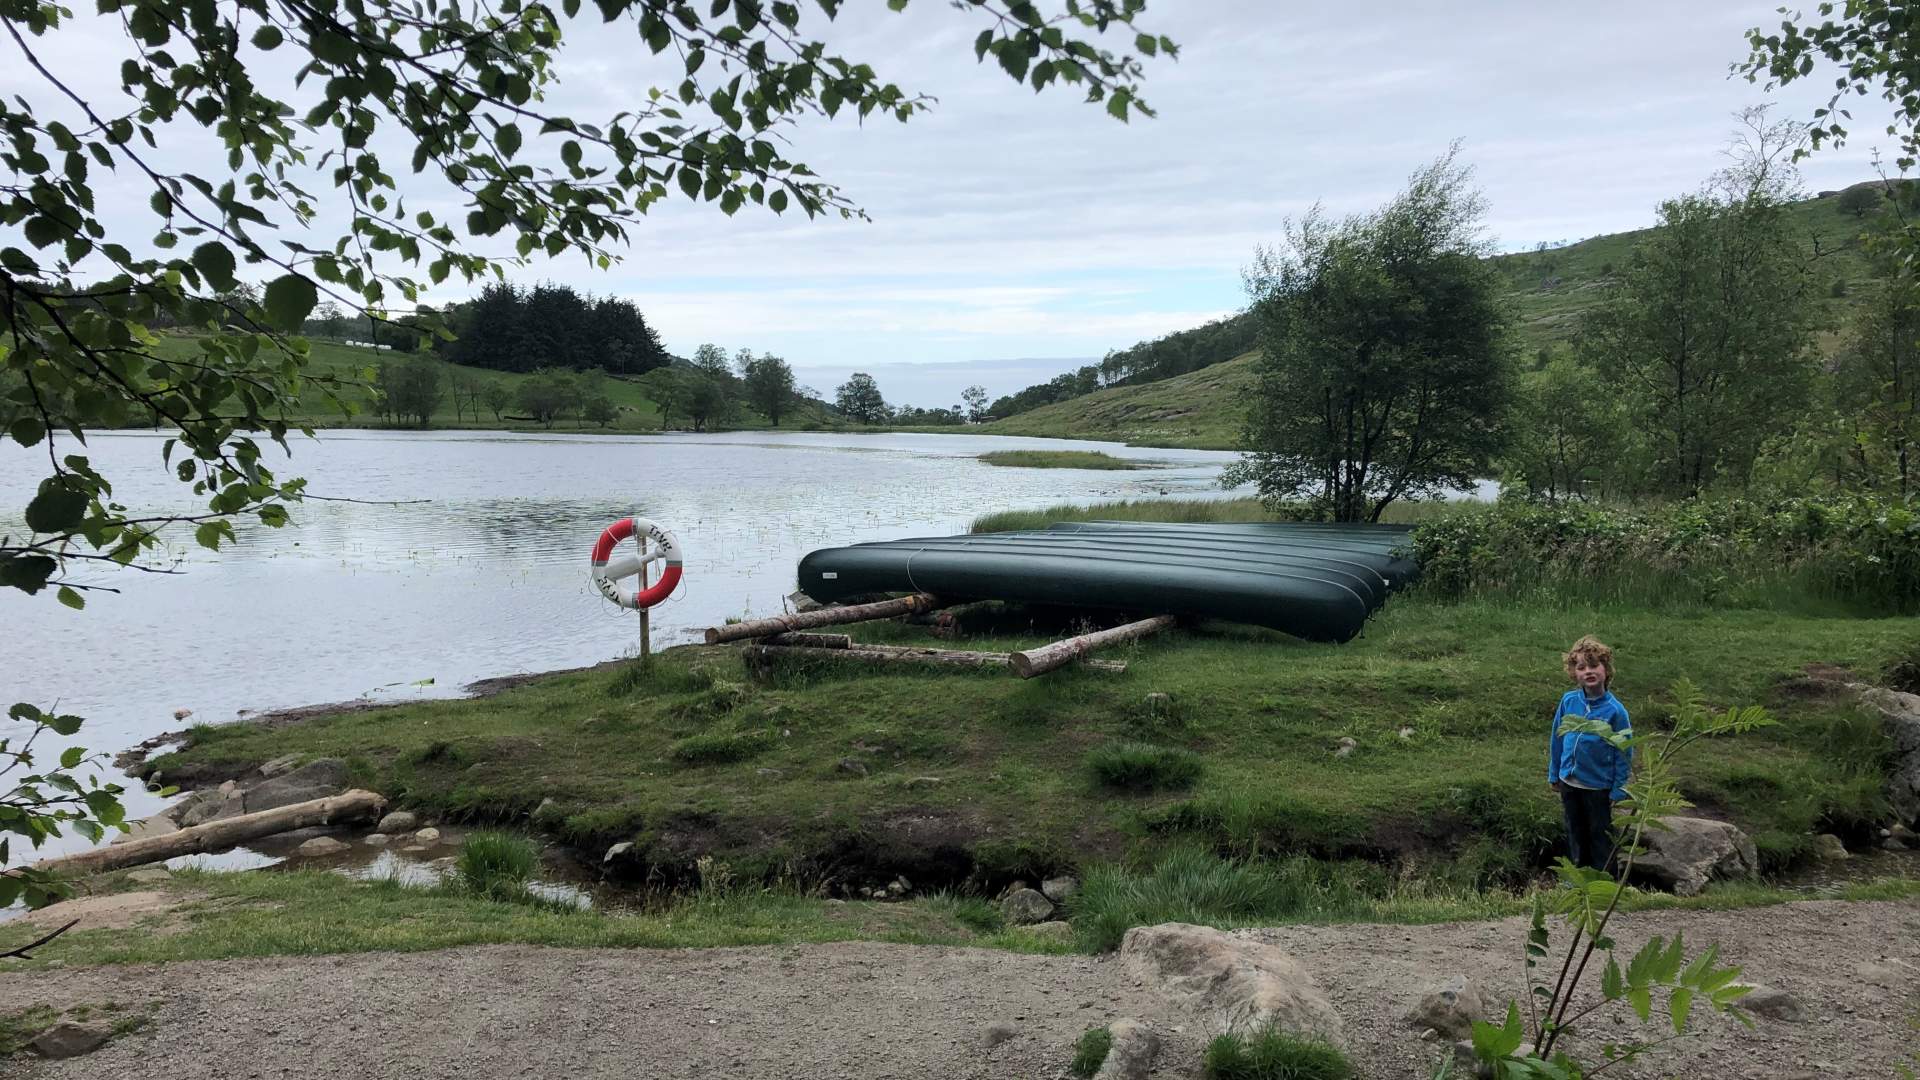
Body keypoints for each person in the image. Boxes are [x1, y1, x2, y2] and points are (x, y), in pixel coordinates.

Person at [1547, 635, 1633, 872]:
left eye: (1594, 665)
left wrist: (1618, 788)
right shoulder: (1568, 701)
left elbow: (1624, 752)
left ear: (1606, 669)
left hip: (1598, 786)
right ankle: (1577, 881)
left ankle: (1606, 881)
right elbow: (1558, 737)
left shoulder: (1616, 711)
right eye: (1581, 667)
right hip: (1569, 781)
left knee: (1600, 834)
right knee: (1575, 831)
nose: (1588, 672)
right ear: (1574, 673)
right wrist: (1554, 773)